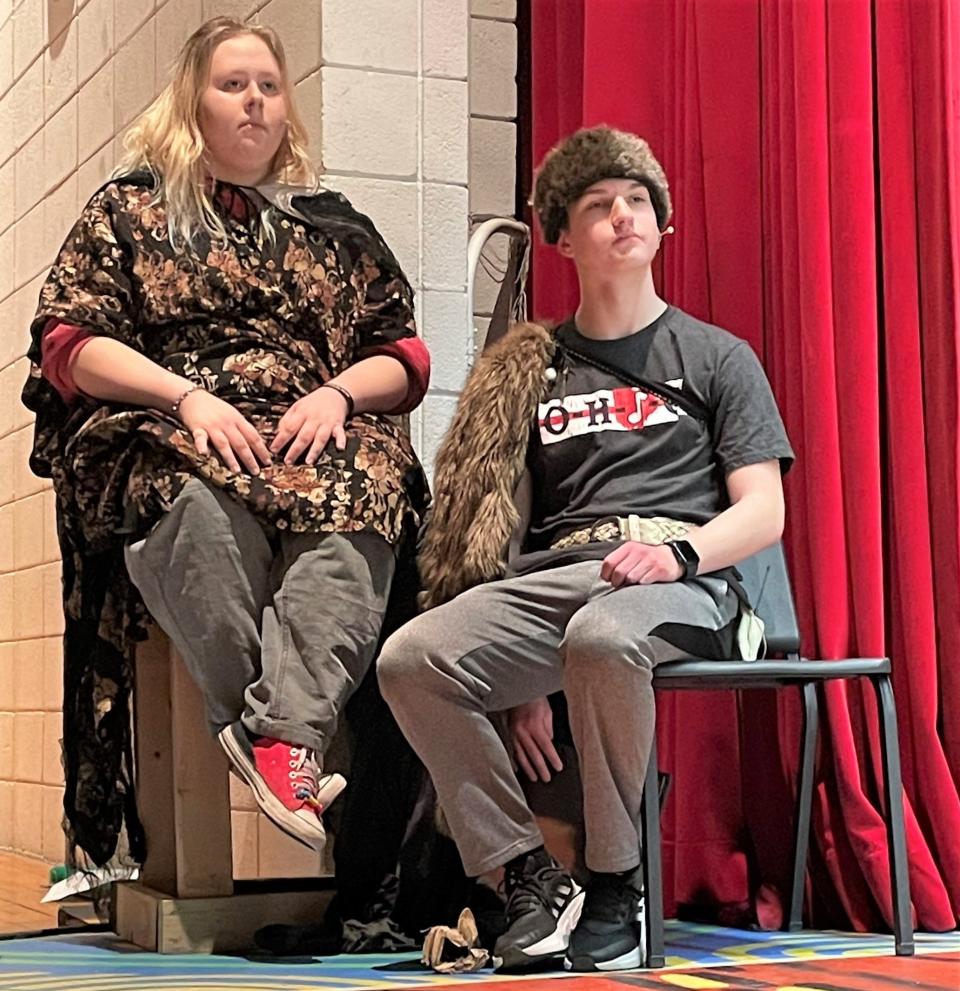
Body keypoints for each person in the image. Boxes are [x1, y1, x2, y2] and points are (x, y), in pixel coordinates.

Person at [20, 17, 430, 882]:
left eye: (269, 87)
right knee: (199, 501)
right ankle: (287, 737)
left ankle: (278, 737)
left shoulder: (335, 227)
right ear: (192, 104)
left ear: (288, 109)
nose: (253, 100)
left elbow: (406, 353)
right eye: (231, 84)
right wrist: (186, 396)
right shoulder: (130, 211)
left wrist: (338, 391)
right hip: (177, 420)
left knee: (377, 479)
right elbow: (65, 340)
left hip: (313, 426)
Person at [377, 125, 794, 972]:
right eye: (598, 204)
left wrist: (677, 557)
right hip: (562, 576)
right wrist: (516, 688)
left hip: (688, 580)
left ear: (662, 224)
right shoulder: (532, 372)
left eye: (638, 200)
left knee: (604, 635)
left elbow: (763, 511)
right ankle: (528, 869)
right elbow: (499, 529)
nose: (623, 215)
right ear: (561, 237)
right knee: (412, 657)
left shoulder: (717, 357)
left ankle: (617, 879)